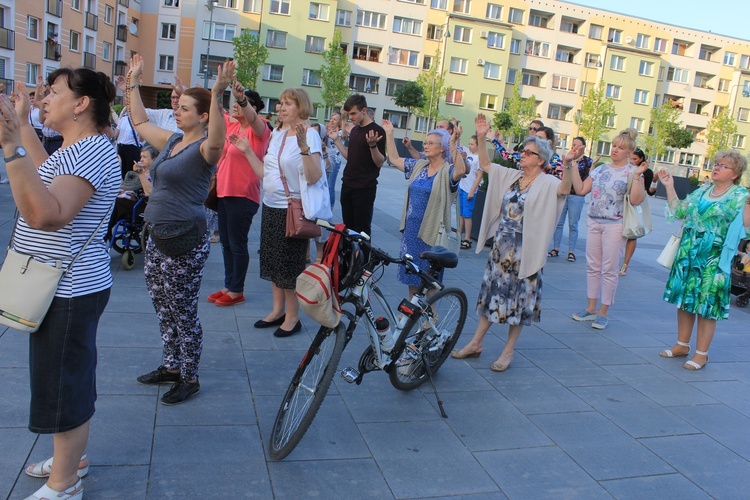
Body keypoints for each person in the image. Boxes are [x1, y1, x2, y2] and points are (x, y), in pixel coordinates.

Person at [0, 70, 119, 500]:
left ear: (82, 104)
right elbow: (41, 165)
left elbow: (47, 215)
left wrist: (11, 147)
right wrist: (22, 126)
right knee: (62, 377)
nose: (43, 98)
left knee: (64, 382)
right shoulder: (74, 148)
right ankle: (72, 459)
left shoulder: (90, 152)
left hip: (69, 287)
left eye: (53, 93)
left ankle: (64, 483)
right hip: (65, 284)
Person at [128, 54, 232, 405]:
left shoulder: (204, 149)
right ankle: (171, 365)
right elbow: (140, 121)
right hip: (157, 237)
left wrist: (218, 93)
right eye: (179, 106)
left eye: (186, 108)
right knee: (163, 306)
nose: (178, 111)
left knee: (183, 309)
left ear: (203, 116)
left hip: (184, 240)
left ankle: (189, 376)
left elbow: (218, 140)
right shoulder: (173, 142)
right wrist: (133, 81)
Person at [450, 114, 572, 371]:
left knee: (521, 300)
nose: (522, 155)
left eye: (528, 153)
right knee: (491, 295)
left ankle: (508, 351)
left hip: (527, 249)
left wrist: (569, 165)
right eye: (523, 151)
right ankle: (476, 343)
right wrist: (482, 137)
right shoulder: (512, 176)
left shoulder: (548, 182)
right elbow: (485, 163)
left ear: (540, 160)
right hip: (502, 248)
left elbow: (565, 190)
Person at [658, 151, 750, 370]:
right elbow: (679, 212)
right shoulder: (704, 190)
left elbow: (746, 227)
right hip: (689, 253)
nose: (716, 167)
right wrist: (669, 186)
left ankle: (701, 354)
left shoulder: (740, 195)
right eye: (716, 164)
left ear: (735, 174)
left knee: (707, 306)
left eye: (723, 166)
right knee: (685, 300)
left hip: (714, 258)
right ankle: (682, 345)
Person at [255, 88, 324, 337]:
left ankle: (293, 317)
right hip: (271, 205)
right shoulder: (278, 132)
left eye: (288, 104)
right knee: (273, 261)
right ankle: (277, 310)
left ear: (301, 107)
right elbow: (266, 171)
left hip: (292, 209)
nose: (281, 107)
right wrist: (244, 151)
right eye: (280, 102)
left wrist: (304, 148)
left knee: (288, 266)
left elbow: (315, 176)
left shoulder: (310, 135)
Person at [570, 129, 647, 330]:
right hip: (594, 221)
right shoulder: (601, 169)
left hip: (615, 223)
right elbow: (580, 190)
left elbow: (638, 200)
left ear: (630, 153)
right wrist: (572, 165)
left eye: (621, 148)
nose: (615, 150)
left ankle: (604, 311)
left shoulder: (632, 172)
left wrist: (638, 177)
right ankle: (591, 307)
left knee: (609, 269)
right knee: (592, 266)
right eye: (614, 145)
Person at [381, 120, 466, 296]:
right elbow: (395, 159)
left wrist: (453, 145)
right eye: (425, 143)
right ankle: (411, 314)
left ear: (442, 148)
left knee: (429, 279)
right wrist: (389, 133)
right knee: (411, 274)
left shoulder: (447, 171)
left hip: (432, 232)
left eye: (430, 143)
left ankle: (430, 315)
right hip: (412, 231)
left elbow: (461, 171)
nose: (425, 146)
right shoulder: (419, 166)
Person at [206, 85, 271, 307]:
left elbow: (254, 120)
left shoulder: (259, 131)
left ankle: (237, 290)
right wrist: (215, 90)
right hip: (223, 192)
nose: (235, 104)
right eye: (234, 101)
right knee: (225, 242)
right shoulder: (232, 124)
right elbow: (216, 111)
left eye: (241, 102)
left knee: (237, 243)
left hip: (243, 194)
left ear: (253, 108)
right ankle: (229, 284)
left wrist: (243, 101)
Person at [327, 94, 386, 238]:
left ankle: (363, 260)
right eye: (348, 114)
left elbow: (379, 162)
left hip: (365, 187)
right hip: (348, 185)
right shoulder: (355, 130)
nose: (351, 117)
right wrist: (337, 141)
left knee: (362, 230)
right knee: (348, 228)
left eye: (353, 113)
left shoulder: (377, 131)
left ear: (364, 110)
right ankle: (349, 259)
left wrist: (372, 145)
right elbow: (350, 156)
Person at [549, 137, 597, 262]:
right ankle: (556, 248)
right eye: (573, 144)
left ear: (583, 147)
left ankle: (571, 251)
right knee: (559, 222)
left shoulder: (587, 162)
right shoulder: (566, 159)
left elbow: (589, 178)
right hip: (564, 194)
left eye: (578, 145)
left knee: (573, 224)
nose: (574, 148)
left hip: (577, 196)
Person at [619, 148, 658, 276]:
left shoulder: (646, 172)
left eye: (635, 159)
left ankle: (625, 265)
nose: (632, 161)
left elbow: (650, 192)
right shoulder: (625, 168)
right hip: (621, 202)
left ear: (642, 159)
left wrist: (654, 180)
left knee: (632, 233)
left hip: (636, 203)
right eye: (631, 158)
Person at [458, 135, 481, 249]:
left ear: (478, 145)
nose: (470, 146)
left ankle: (467, 238)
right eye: (469, 144)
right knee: (461, 213)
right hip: (462, 187)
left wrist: (472, 191)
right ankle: (459, 235)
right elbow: (459, 146)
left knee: (467, 215)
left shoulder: (479, 158)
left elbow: (479, 176)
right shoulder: (469, 155)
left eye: (472, 144)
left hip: (469, 190)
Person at [324, 111, 347, 208]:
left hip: (335, 161)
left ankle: (331, 207)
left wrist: (344, 117)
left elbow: (345, 133)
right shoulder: (325, 130)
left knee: (330, 185)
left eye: (335, 119)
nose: (332, 121)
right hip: (324, 160)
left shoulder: (340, 132)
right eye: (331, 118)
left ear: (339, 122)